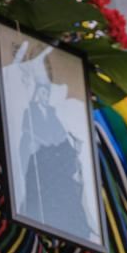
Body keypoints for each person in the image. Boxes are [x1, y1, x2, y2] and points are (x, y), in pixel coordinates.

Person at [19, 81, 92, 241]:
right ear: (38, 94)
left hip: (54, 157)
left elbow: (61, 136)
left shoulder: (53, 115)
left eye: (48, 94)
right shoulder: (30, 112)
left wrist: (74, 147)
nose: (46, 97)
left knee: (67, 183)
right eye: (43, 93)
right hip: (40, 160)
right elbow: (26, 134)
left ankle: (77, 227)